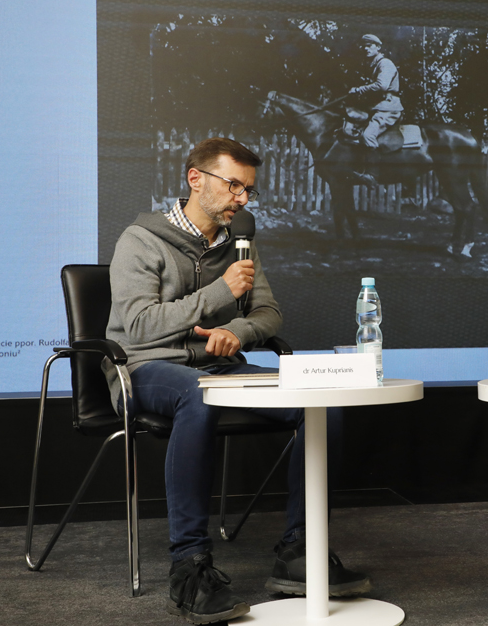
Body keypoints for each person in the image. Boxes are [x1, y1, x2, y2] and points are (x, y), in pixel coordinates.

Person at [103, 137, 370, 624]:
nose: (243, 199)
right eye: (234, 186)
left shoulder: (238, 244)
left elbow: (268, 313)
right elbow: (138, 326)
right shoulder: (139, 241)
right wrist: (218, 293)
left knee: (322, 402)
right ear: (195, 179)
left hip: (217, 368)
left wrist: (237, 331)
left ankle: (300, 551)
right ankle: (189, 566)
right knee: (197, 394)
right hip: (144, 368)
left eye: (248, 189)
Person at [349, 34, 403, 151]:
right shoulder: (374, 66)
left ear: (378, 47)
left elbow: (381, 86)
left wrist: (358, 90)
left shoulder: (385, 63)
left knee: (367, 136)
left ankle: (373, 163)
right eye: (364, 46)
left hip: (388, 109)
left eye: (369, 45)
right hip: (378, 108)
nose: (365, 48)